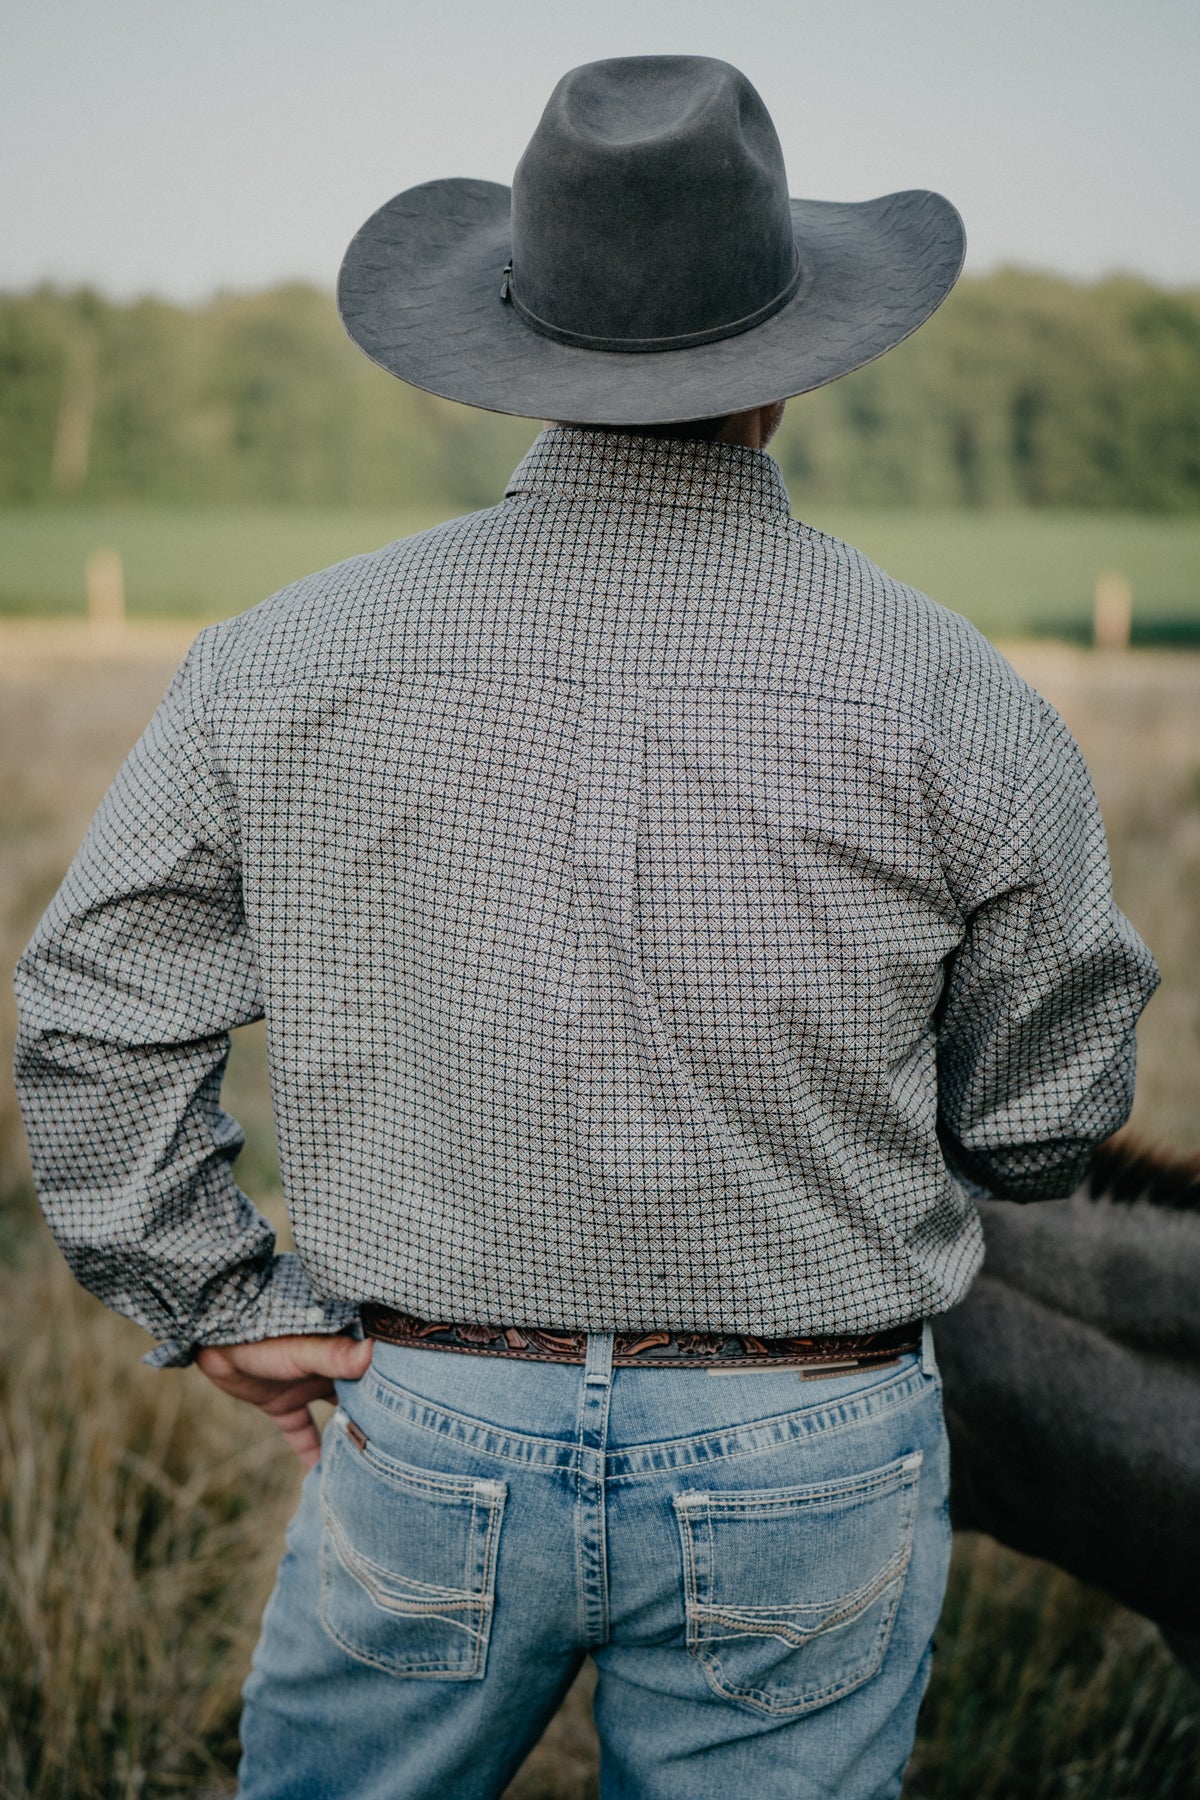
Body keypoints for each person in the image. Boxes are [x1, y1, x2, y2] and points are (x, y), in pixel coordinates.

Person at [13, 55, 1158, 1800]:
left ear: (512, 357)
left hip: (429, 1419)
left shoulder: (290, 656)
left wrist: (212, 1291)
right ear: (788, 378)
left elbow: (93, 1016)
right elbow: (1043, 1125)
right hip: (811, 1437)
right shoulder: (958, 694)